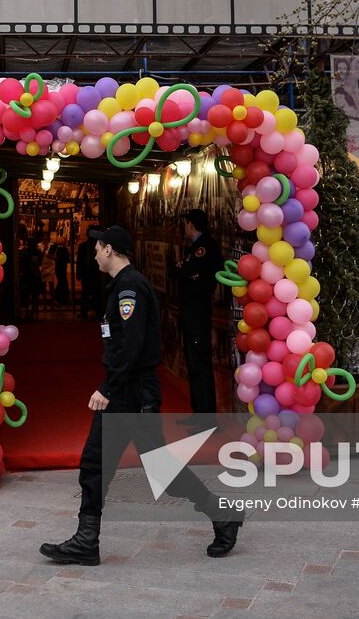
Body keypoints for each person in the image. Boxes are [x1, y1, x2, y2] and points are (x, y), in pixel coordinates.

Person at [39, 226, 241, 566]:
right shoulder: (123, 285)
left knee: (103, 463)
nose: (94, 253)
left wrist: (107, 388)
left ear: (109, 250)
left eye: (97, 247)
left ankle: (222, 517)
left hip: (130, 392)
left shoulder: (129, 287)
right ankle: (221, 517)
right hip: (130, 390)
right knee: (108, 464)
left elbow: (130, 347)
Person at [170, 209, 222, 414]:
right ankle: (198, 411)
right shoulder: (195, 247)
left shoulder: (205, 247)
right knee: (193, 362)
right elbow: (177, 271)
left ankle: (206, 415)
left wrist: (184, 271)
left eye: (186, 225)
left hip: (198, 311)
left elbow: (183, 270)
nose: (185, 229)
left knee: (200, 363)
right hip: (191, 310)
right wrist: (183, 271)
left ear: (191, 225)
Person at [76, 226, 101, 320]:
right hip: (86, 272)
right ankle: (84, 312)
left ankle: (97, 312)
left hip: (95, 272)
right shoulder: (82, 246)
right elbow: (79, 261)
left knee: (95, 293)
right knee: (85, 293)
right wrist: (79, 273)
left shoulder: (99, 246)